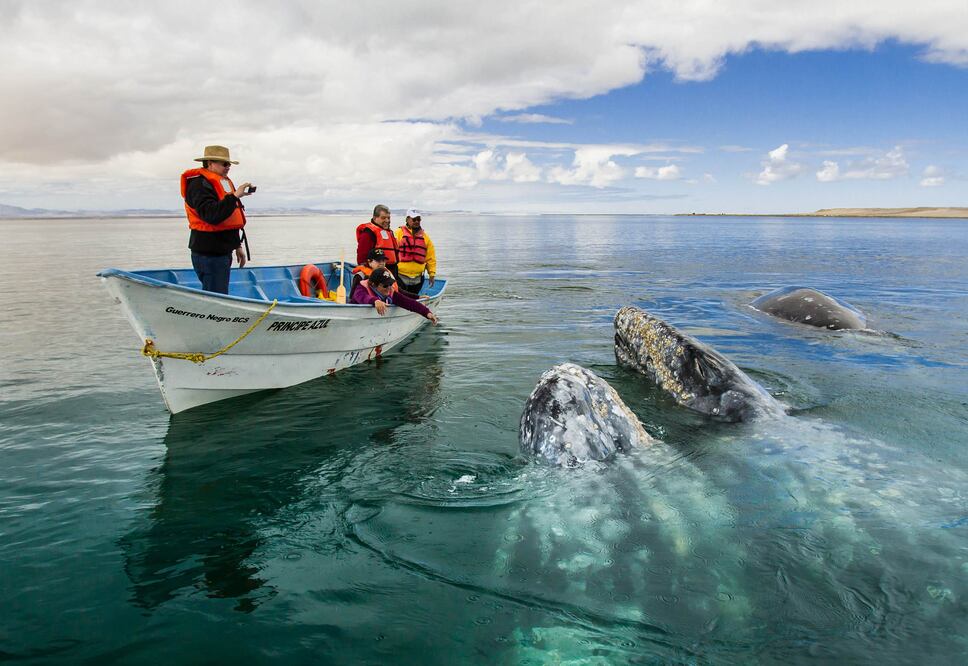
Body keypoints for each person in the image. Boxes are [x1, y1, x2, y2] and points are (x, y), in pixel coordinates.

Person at [180, 145, 255, 294]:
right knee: (216, 296)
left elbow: (227, 219)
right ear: (209, 163)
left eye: (229, 164)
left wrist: (237, 245)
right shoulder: (199, 185)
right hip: (208, 254)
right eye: (224, 164)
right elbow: (211, 215)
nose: (228, 167)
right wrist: (234, 197)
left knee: (219, 293)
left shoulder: (222, 182)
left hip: (221, 251)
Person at [351, 268, 438, 325]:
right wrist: (375, 301)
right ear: (373, 285)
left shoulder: (390, 292)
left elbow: (408, 302)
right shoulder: (361, 288)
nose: (389, 288)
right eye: (385, 285)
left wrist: (427, 313)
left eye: (390, 284)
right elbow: (362, 297)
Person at [394, 208, 437, 297]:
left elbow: (430, 257)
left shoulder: (425, 237)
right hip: (400, 276)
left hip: (418, 278)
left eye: (418, 219)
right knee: (401, 298)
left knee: (413, 300)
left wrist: (432, 273)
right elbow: (391, 252)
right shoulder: (398, 233)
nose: (416, 221)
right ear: (407, 219)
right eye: (414, 219)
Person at [356, 204, 399, 279]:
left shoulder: (389, 232)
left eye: (388, 218)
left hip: (390, 273)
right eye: (383, 218)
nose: (387, 220)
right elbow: (362, 259)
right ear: (375, 218)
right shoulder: (368, 233)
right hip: (377, 276)